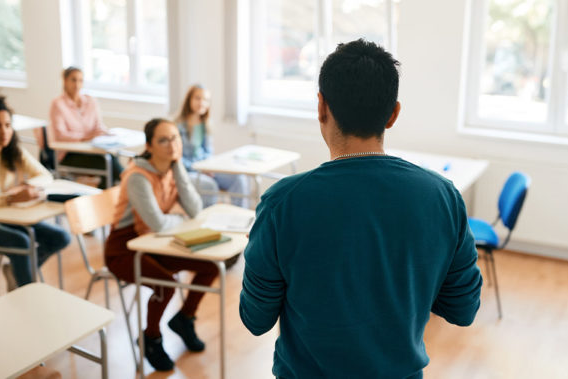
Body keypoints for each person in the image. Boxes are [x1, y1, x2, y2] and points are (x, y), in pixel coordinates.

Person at [239, 39, 483, 377]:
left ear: (321, 107)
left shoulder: (282, 203)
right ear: (393, 113)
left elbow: (255, 319)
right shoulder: (443, 197)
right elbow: (463, 309)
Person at [104, 118, 218, 372]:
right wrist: (177, 219)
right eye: (163, 140)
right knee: (164, 284)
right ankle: (151, 337)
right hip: (124, 249)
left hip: (155, 244)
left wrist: (178, 170)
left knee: (210, 267)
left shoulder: (172, 170)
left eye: (175, 138)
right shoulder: (137, 176)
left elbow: (196, 209)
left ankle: (184, 319)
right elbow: (157, 223)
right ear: (149, 145)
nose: (171, 145)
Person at [0, 90, 71, 290]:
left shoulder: (13, 152)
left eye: (7, 125)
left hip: (8, 217)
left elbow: (45, 175)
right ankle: (27, 292)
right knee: (21, 241)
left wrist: (30, 188)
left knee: (60, 237)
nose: (4, 132)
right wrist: (8, 198)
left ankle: (18, 272)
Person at [48, 66, 123, 188]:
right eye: (73, 80)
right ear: (65, 81)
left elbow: (98, 126)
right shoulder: (58, 104)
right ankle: (119, 187)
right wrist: (86, 137)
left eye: (80, 80)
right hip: (69, 154)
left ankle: (108, 194)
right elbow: (61, 135)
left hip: (92, 150)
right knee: (108, 164)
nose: (77, 84)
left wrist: (107, 134)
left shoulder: (91, 101)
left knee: (110, 160)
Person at [176, 84, 249, 207]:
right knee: (209, 185)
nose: (202, 103)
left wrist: (208, 167)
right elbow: (176, 159)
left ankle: (242, 217)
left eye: (205, 100)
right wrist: (199, 168)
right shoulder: (177, 126)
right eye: (197, 98)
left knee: (239, 178)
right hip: (188, 170)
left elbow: (208, 152)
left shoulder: (206, 124)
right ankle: (209, 221)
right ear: (189, 100)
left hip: (205, 167)